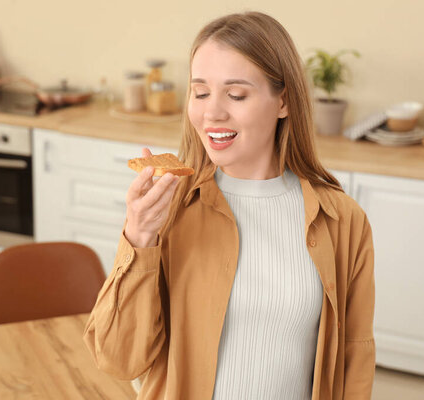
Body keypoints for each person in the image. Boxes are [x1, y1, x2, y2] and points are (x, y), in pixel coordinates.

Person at [84, 11, 375, 400]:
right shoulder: (171, 209)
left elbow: (355, 357)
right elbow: (118, 361)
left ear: (284, 101)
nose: (212, 112)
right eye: (200, 92)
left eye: (236, 95)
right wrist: (138, 240)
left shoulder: (342, 220)